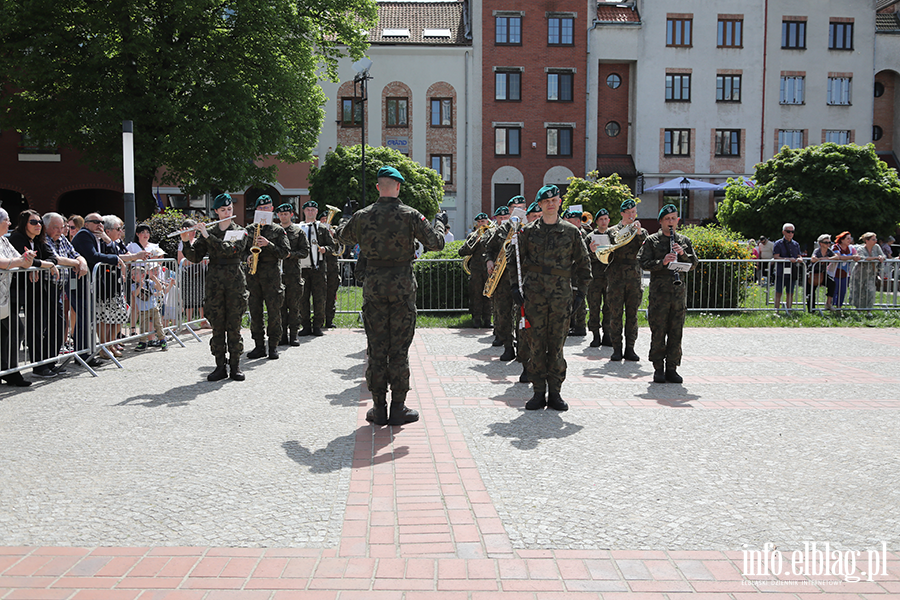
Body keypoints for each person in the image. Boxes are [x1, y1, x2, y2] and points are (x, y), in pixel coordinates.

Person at [335, 166, 446, 426]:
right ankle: (398, 407)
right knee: (399, 349)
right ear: (398, 187)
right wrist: (439, 221)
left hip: (374, 288)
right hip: (402, 289)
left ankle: (378, 407)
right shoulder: (411, 215)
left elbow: (342, 236)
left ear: (377, 187)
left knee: (376, 349)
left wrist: (346, 217)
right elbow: (436, 243)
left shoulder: (363, 216)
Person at [508, 185, 591, 411]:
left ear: (560, 202)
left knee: (556, 346)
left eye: (554, 200)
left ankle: (555, 392)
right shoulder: (527, 232)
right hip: (534, 298)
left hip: (561, 297)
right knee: (535, 344)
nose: (550, 204)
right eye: (546, 202)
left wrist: (580, 294)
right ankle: (537, 392)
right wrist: (515, 288)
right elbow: (513, 261)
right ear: (540, 205)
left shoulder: (572, 233)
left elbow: (584, 266)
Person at [180, 193, 249, 381]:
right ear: (216, 211)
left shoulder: (239, 230)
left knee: (234, 326)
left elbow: (229, 250)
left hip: (235, 284)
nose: (227, 212)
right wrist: (186, 240)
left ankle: (235, 366)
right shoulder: (209, 232)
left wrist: (206, 235)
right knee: (217, 326)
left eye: (229, 209)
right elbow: (195, 257)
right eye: (223, 210)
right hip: (214, 285)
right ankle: (220, 366)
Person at [637, 204, 698, 383]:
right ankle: (658, 368)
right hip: (659, 294)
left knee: (676, 331)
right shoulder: (652, 241)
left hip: (678, 295)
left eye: (673, 218)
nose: (671, 222)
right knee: (658, 331)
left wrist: (683, 254)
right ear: (661, 221)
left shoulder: (684, 241)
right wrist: (662, 262)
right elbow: (642, 261)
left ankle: (672, 367)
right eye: (667, 219)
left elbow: (694, 263)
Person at [71, 213, 137, 367]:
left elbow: (112, 251)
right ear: (86, 223)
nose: (100, 225)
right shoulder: (84, 235)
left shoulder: (96, 236)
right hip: (81, 284)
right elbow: (92, 256)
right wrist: (115, 260)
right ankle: (83, 355)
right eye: (95, 222)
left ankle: (86, 353)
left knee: (88, 321)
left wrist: (108, 242)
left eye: (101, 222)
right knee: (84, 321)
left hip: (91, 285)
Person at [8, 209, 62, 377]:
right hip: (17, 290)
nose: (38, 225)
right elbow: (24, 261)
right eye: (33, 222)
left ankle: (45, 363)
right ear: (24, 223)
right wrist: (38, 265)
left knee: (42, 326)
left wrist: (37, 265)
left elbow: (53, 258)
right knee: (20, 330)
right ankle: (15, 369)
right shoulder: (16, 238)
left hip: (37, 290)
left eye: (39, 222)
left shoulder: (39, 240)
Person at [244, 195, 290, 360]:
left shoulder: (278, 230)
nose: (264, 210)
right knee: (255, 311)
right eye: (261, 208)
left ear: (272, 210)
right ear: (257, 210)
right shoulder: (249, 230)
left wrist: (268, 244)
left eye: (267, 208)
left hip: (272, 276)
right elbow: (240, 250)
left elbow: (285, 252)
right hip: (254, 276)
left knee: (274, 311)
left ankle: (273, 346)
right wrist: (246, 257)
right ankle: (258, 346)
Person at [605, 199, 648, 362]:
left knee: (632, 315)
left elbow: (643, 250)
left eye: (634, 212)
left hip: (633, 277)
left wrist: (637, 233)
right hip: (616, 277)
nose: (632, 215)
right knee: (615, 314)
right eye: (629, 212)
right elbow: (607, 251)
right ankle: (616, 348)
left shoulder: (641, 232)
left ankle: (630, 348)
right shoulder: (611, 231)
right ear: (622, 213)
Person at [43, 212, 89, 360]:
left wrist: (82, 261)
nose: (60, 231)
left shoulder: (62, 239)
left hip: (59, 287)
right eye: (56, 227)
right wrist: (76, 263)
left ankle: (53, 360)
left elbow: (73, 253)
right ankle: (43, 363)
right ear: (46, 227)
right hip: (45, 287)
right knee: (46, 326)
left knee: (59, 323)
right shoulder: (44, 240)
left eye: (62, 227)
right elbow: (55, 258)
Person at [0, 207, 36, 386]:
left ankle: (9, 370)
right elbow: (3, 262)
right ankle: (11, 371)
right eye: (6, 220)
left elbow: (19, 259)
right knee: (15, 329)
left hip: (3, 296)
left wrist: (27, 258)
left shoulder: (4, 241)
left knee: (10, 331)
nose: (9, 223)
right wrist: (21, 261)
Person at [514, 201, 543, 384]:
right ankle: (526, 365)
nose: (537, 220)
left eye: (540, 217)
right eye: (534, 217)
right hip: (527, 290)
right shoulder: (522, 235)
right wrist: (515, 287)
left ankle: (541, 369)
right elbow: (513, 263)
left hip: (547, 292)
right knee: (525, 331)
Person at [484, 203, 518, 360]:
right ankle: (508, 346)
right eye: (513, 208)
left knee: (522, 315)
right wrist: (489, 261)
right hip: (503, 280)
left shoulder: (529, 227)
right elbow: (489, 248)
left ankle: (523, 349)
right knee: (504, 314)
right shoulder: (502, 230)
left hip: (521, 278)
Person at [298, 200, 334, 336]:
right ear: (304, 211)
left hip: (318, 268)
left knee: (319, 298)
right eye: (308, 210)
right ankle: (306, 325)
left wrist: (325, 249)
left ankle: (318, 325)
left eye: (313, 210)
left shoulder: (322, 228)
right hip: (303, 267)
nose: (311, 212)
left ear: (317, 212)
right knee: (303, 298)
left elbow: (332, 247)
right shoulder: (299, 227)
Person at [276, 203, 310, 345]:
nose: (283, 216)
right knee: (280, 306)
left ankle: (294, 334)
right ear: (278, 215)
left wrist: (291, 255)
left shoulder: (298, 232)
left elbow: (305, 251)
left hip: (293, 273)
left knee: (294, 305)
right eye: (281, 214)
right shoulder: (274, 231)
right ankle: (282, 334)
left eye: (286, 214)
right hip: (277, 274)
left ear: (291, 214)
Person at [458, 212, 493, 328]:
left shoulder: (492, 234)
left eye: (483, 222)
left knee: (488, 295)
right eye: (479, 222)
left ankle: (488, 320)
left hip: (488, 270)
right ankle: (476, 319)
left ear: (487, 222)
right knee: (476, 295)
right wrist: (475, 239)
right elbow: (462, 252)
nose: (481, 224)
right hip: (476, 270)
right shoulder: (472, 236)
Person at [485, 205, 511, 346]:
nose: (503, 220)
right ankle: (501, 335)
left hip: (518, 275)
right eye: (500, 218)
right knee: (501, 307)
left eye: (505, 217)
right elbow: (489, 248)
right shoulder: (499, 231)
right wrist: (489, 261)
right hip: (501, 275)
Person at [587, 208, 612, 347]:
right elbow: (585, 257)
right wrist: (592, 252)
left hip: (609, 277)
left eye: (606, 219)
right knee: (594, 307)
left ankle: (607, 334)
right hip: (595, 278)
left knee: (608, 307)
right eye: (601, 219)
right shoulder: (590, 237)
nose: (604, 221)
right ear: (597, 222)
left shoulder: (613, 235)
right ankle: (595, 335)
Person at [177, 219, 207, 329]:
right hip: (188, 273)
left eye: (195, 230)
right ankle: (189, 321)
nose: (194, 233)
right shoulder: (182, 243)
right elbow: (180, 260)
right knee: (189, 296)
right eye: (191, 230)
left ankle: (203, 321)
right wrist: (196, 260)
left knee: (201, 296)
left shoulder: (198, 241)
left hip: (200, 272)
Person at [130, 266, 170, 351]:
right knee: (143, 326)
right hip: (142, 310)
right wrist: (140, 286)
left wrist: (155, 280)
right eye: (132, 274)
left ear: (143, 275)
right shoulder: (133, 286)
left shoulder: (149, 283)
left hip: (153, 308)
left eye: (135, 274)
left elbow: (159, 288)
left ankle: (162, 340)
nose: (133, 276)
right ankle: (143, 342)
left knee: (158, 325)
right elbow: (135, 294)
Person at [564, 208, 589, 337]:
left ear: (578, 222)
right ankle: (573, 323)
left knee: (579, 298)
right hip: (570, 271)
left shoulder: (581, 234)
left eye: (571, 221)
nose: (568, 223)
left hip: (577, 272)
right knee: (571, 297)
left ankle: (580, 326)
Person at [851, 232, 886, 315]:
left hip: (871, 273)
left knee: (871, 291)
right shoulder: (861, 249)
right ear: (867, 240)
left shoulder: (876, 247)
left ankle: (869, 310)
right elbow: (862, 258)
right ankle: (858, 310)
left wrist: (881, 257)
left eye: (876, 239)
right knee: (859, 291)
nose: (876, 241)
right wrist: (876, 258)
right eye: (873, 239)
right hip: (859, 273)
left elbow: (883, 255)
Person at [772, 223, 802, 314]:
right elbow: (776, 257)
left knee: (790, 292)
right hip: (781, 271)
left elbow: (799, 255)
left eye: (792, 232)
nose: (790, 234)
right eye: (788, 231)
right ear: (783, 232)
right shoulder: (778, 244)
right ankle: (776, 310)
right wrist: (788, 259)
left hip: (792, 271)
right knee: (778, 292)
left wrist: (800, 259)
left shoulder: (796, 244)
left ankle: (789, 310)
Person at [319, 210, 340, 329]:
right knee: (319, 295)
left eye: (327, 220)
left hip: (332, 267)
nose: (325, 222)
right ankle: (319, 320)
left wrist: (333, 237)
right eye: (323, 220)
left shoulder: (335, 233)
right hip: (321, 266)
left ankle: (329, 319)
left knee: (331, 294)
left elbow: (339, 249)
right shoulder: (317, 232)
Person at [829, 231, 861, 310]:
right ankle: (831, 306)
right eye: (847, 239)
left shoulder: (851, 248)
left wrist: (855, 257)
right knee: (834, 290)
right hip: (834, 272)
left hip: (846, 273)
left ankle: (839, 308)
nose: (849, 240)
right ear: (842, 240)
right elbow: (839, 257)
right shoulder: (835, 247)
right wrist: (851, 257)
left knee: (842, 291)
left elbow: (856, 256)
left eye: (850, 239)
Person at [808, 234, 835, 312]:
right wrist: (820, 259)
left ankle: (828, 303)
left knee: (832, 284)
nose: (828, 244)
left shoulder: (829, 251)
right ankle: (811, 310)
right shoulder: (817, 250)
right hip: (813, 272)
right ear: (821, 243)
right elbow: (813, 258)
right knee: (811, 291)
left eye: (829, 242)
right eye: (826, 242)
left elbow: (836, 256)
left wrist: (827, 258)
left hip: (822, 273)